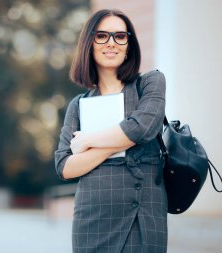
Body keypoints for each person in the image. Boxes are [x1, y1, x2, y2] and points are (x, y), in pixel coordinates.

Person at [54, 9, 167, 253]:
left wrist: (89, 141)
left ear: (129, 45)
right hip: (91, 218)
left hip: (142, 214)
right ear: (89, 43)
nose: (112, 43)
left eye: (120, 36)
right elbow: (64, 166)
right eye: (102, 36)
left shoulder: (150, 83)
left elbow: (142, 127)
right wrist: (121, 142)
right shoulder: (78, 104)